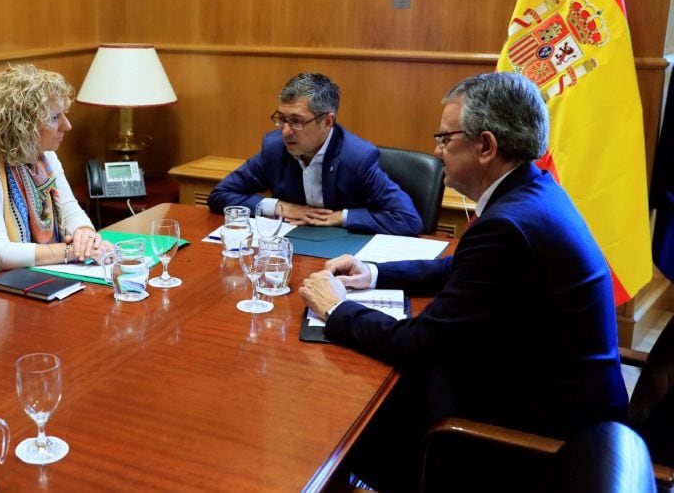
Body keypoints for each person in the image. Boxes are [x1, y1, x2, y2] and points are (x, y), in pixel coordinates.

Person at [299, 72, 627, 492]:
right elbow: (458, 270)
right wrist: (375, 273)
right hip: (555, 397)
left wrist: (337, 308)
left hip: (538, 442)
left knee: (345, 418)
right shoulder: (533, 192)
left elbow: (418, 342)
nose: (436, 152)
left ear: (486, 146)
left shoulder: (509, 226)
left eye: (444, 139)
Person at [0, 64, 108, 298]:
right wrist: (70, 251)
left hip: (23, 284)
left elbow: (71, 211)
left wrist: (85, 234)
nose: (67, 125)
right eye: (55, 117)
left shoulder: (46, 157)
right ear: (24, 126)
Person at [207, 72, 422, 235]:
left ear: (327, 122)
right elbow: (220, 196)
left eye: (297, 121)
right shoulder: (275, 149)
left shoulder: (357, 158)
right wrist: (279, 207)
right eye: (282, 118)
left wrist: (342, 217)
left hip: (345, 258)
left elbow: (408, 219)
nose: (285, 131)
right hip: (291, 250)